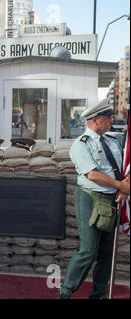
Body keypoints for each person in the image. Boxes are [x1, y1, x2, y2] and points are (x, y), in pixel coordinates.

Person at [58, 99, 130, 299]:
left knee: (105, 254)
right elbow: (93, 175)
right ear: (96, 120)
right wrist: (121, 186)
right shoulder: (80, 145)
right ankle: (65, 291)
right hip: (91, 198)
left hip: (113, 199)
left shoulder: (113, 141)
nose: (111, 121)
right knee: (88, 251)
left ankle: (98, 294)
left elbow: (126, 166)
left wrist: (124, 188)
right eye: (107, 118)